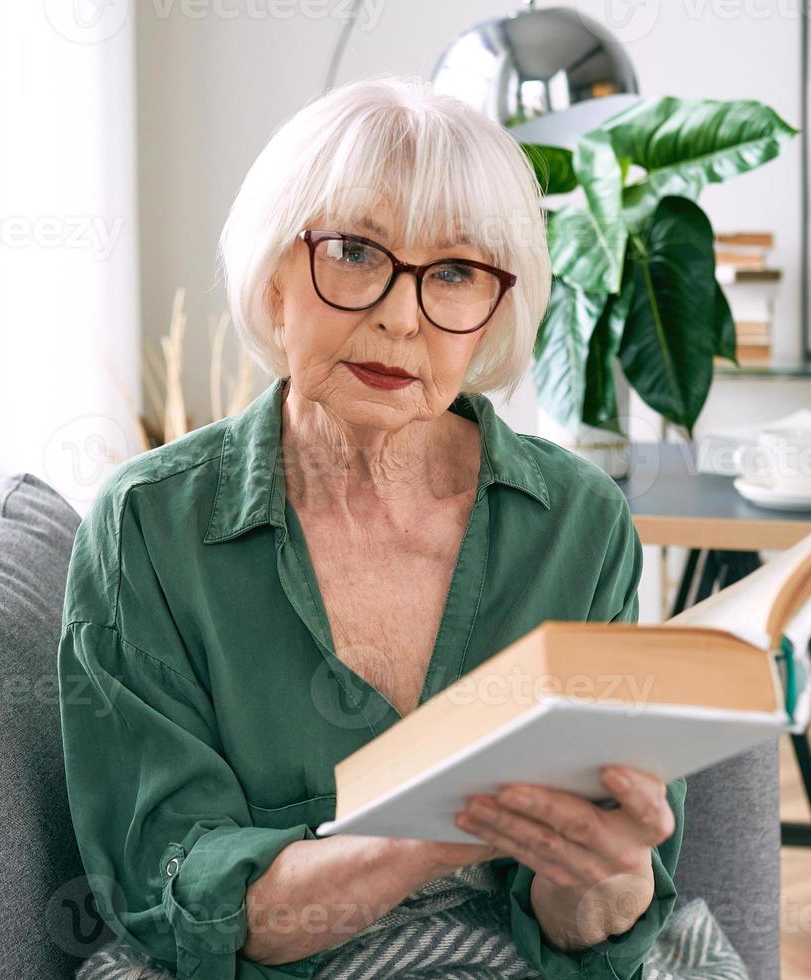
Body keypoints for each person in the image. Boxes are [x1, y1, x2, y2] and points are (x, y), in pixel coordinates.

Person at [58, 74, 685, 980]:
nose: (399, 315)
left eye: (457, 272)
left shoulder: (578, 524)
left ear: (493, 312)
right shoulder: (147, 529)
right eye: (353, 252)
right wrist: (448, 823)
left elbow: (592, 939)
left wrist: (606, 865)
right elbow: (184, 904)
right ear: (275, 276)